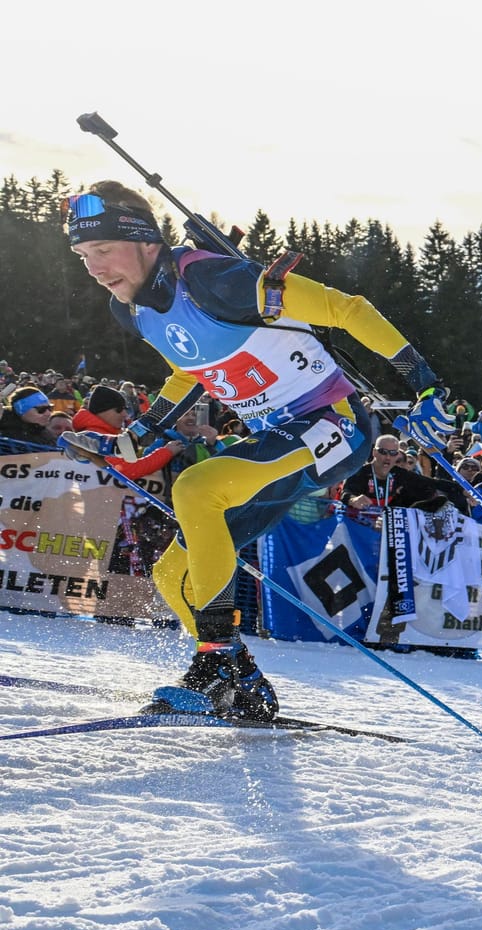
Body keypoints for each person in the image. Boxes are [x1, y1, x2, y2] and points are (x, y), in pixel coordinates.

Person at [64, 181, 454, 720]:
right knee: (173, 572)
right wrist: (141, 432)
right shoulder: (130, 310)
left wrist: (425, 383)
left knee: (196, 487)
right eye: (84, 255)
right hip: (274, 436)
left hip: (332, 425)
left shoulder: (212, 280)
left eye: (104, 250)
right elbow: (190, 367)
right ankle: (239, 676)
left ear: (146, 241)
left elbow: (348, 309)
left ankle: (215, 659)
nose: (94, 266)